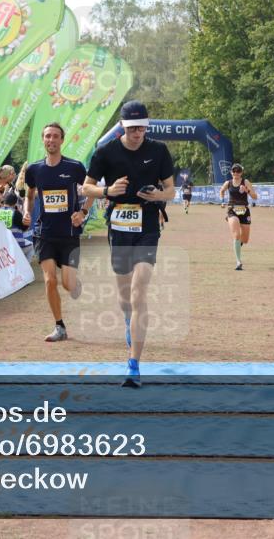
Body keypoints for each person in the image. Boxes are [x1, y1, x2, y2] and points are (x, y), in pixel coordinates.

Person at [82, 101, 175, 388]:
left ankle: (133, 364)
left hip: (147, 226)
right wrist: (107, 191)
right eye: (132, 128)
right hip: (119, 228)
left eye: (142, 128)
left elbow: (171, 190)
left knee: (139, 292)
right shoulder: (106, 152)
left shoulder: (158, 151)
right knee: (125, 296)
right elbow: (86, 187)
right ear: (122, 126)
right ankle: (127, 319)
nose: (137, 133)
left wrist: (157, 196)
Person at [24, 122, 91, 343]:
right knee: (49, 280)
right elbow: (29, 194)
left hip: (69, 233)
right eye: (47, 136)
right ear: (43, 140)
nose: (51, 140)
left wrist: (82, 212)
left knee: (67, 284)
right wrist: (26, 212)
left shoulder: (74, 167)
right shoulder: (34, 169)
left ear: (62, 140)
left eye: (55, 136)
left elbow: (91, 190)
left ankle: (74, 283)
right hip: (44, 233)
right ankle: (59, 326)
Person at [218, 164, 257, 270]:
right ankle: (238, 262)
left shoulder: (246, 182)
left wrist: (246, 190)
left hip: (244, 211)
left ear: (241, 173)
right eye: (234, 171)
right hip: (232, 210)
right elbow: (221, 191)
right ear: (231, 172)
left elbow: (255, 197)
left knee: (245, 239)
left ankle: (237, 247)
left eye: (238, 171)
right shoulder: (228, 183)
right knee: (236, 235)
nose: (236, 173)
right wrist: (222, 201)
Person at [0, 189, 33, 255]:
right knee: (32, 246)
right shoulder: (15, 213)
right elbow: (25, 228)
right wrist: (20, 211)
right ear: (15, 203)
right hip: (16, 245)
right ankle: (25, 264)